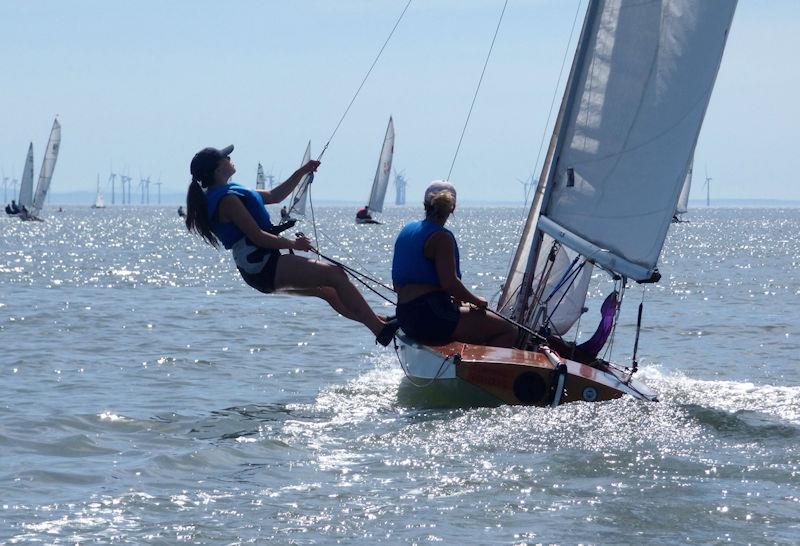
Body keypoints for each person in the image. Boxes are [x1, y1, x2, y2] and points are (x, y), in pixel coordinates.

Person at [185, 144, 398, 345]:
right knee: (335, 275)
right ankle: (380, 330)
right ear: (217, 168)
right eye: (225, 157)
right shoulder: (227, 201)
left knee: (327, 290)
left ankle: (379, 322)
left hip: (260, 266)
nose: (230, 158)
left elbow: (275, 196)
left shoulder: (231, 191)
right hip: (262, 266)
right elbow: (257, 236)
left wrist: (303, 171)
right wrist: (294, 244)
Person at [391, 180, 517, 348]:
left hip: (405, 315)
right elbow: (450, 284)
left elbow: (398, 285)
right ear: (452, 208)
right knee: (508, 330)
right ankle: (478, 372)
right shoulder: (442, 238)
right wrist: (477, 301)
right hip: (431, 316)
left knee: (469, 319)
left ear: (425, 204)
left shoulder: (407, 230)